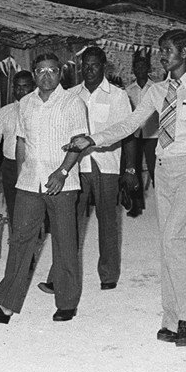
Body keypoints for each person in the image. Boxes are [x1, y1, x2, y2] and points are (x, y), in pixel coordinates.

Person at [65, 29, 186, 348]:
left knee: (176, 238)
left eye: (167, 50)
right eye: (160, 50)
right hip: (163, 168)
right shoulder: (156, 91)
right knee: (167, 244)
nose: (161, 55)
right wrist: (93, 139)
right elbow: (130, 124)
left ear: (184, 52)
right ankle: (172, 317)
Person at [0, 53, 88, 325]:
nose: (46, 76)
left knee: (64, 242)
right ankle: (4, 305)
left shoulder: (73, 102)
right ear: (34, 74)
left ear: (61, 73)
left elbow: (79, 142)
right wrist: (22, 175)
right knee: (21, 241)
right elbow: (21, 141)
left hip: (63, 182)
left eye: (52, 71)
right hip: (29, 181)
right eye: (40, 71)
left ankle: (67, 303)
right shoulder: (26, 103)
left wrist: (62, 172)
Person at [40, 46, 135, 294]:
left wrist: (130, 170)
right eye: (85, 65)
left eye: (94, 65)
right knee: (68, 221)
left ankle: (108, 274)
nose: (89, 70)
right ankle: (57, 276)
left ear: (104, 67)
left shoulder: (117, 96)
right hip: (76, 166)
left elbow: (127, 132)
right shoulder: (70, 95)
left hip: (107, 166)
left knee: (108, 222)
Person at [0, 70, 35, 225]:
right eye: (17, 87)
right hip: (10, 167)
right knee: (14, 209)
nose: (21, 91)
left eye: (25, 86)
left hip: (34, 165)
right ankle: (18, 244)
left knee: (34, 209)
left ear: (34, 87)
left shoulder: (42, 110)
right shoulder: (4, 112)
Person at [124, 53, 159, 217]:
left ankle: (162, 205)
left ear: (149, 69)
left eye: (143, 67)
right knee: (134, 170)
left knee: (155, 169)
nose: (140, 70)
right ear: (133, 70)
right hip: (135, 135)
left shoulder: (156, 88)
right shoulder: (128, 90)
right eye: (137, 67)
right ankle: (136, 205)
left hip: (153, 135)